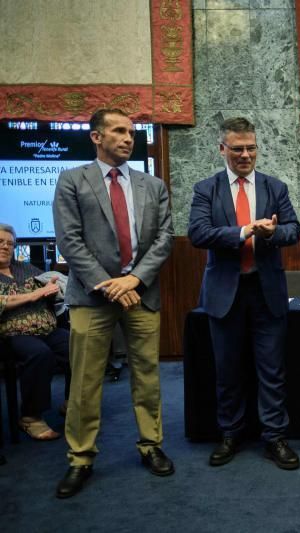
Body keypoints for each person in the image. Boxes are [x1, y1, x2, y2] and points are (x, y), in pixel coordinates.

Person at [53, 108, 175, 498]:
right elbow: (70, 242)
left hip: (141, 293)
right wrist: (111, 285)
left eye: (131, 132)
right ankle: (81, 458)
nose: (127, 138)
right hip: (91, 297)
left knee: (147, 377)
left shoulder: (151, 186)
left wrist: (134, 280)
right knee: (86, 381)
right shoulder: (72, 181)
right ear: (96, 137)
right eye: (118, 131)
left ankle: (151, 446)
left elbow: (164, 239)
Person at [188, 117, 300, 470]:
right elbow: (198, 233)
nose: (245, 155)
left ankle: (275, 437)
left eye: (251, 148)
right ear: (222, 149)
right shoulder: (207, 189)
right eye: (237, 149)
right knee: (228, 369)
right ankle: (230, 434)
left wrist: (269, 234)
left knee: (272, 370)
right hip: (225, 293)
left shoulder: (274, 188)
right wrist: (242, 232)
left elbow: (294, 230)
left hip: (266, 291)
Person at [0, 223, 69, 441]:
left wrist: (55, 289)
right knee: (40, 354)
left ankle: (73, 401)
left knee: (79, 345)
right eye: (0, 242)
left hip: (47, 328)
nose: (5, 247)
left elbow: (47, 289)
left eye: (10, 244)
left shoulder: (26, 268)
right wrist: (34, 295)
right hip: (12, 333)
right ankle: (30, 416)